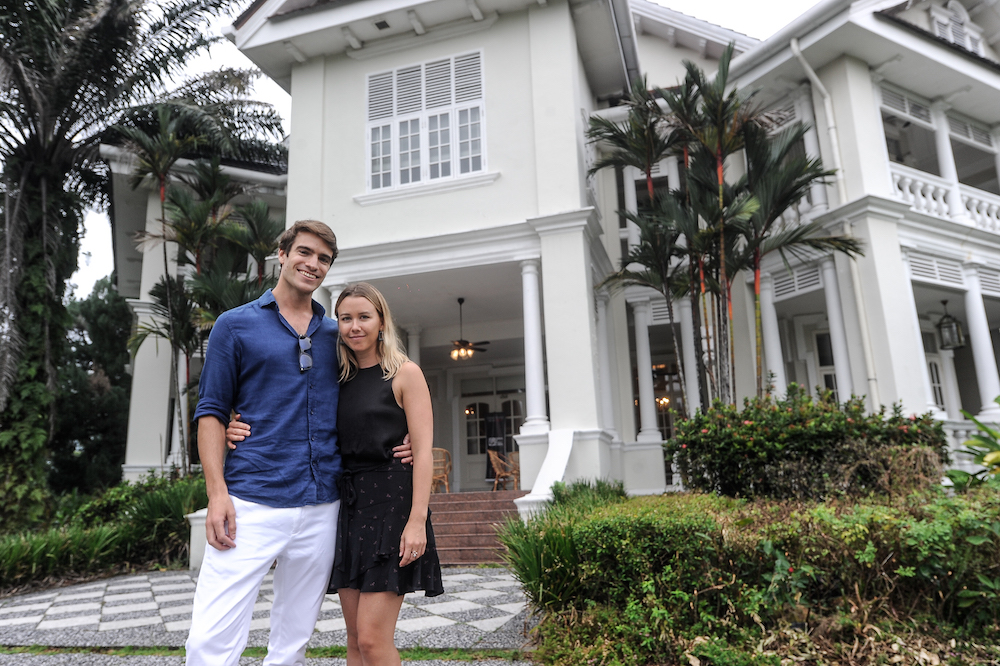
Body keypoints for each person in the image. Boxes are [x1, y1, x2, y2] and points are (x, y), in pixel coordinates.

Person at [187, 220, 411, 666]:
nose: (313, 264)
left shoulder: (338, 335)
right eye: (305, 252)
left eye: (324, 259)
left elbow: (381, 384)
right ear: (282, 254)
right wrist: (217, 494)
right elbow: (211, 412)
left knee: (293, 640)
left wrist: (408, 435)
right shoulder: (235, 326)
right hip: (251, 499)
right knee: (210, 639)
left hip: (322, 504)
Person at [228, 282, 443, 666]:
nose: (354, 326)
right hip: (347, 507)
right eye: (346, 318)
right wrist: (231, 425)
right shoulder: (335, 376)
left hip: (392, 506)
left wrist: (417, 521)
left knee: (375, 641)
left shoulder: (405, 374)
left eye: (364, 317)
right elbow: (293, 410)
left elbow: (423, 453)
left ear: (381, 322)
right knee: (356, 640)